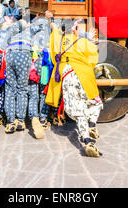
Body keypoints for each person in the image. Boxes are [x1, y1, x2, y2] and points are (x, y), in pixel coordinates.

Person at [45, 19, 103, 157]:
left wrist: (52, 25)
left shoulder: (59, 40)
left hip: (68, 75)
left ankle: (87, 140)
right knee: (96, 102)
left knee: (79, 111)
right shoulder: (83, 42)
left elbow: (54, 55)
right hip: (84, 75)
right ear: (75, 30)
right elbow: (93, 59)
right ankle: (92, 124)